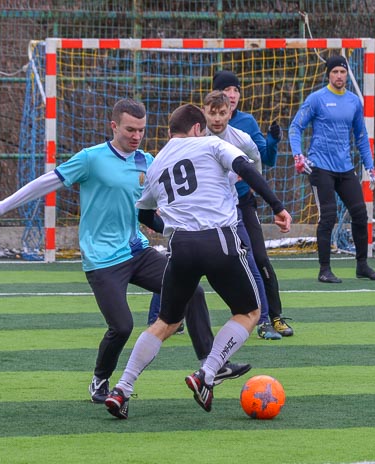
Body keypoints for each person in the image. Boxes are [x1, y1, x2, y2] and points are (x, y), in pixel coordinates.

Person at [0, 98, 250, 404]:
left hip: (137, 251)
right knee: (122, 327)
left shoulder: (148, 161)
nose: (136, 136)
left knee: (193, 292)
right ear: (114, 127)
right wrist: (1, 206)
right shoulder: (91, 159)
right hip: (102, 260)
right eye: (130, 129)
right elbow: (46, 183)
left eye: (141, 130)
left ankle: (210, 366)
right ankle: (100, 379)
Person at [104, 103, 291, 418]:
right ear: (196, 128)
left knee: (166, 322)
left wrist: (176, 226)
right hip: (217, 238)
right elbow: (247, 169)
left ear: (170, 131)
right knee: (249, 312)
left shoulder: (157, 162)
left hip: (180, 246)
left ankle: (122, 388)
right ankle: (209, 370)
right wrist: (277, 206)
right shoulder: (211, 143)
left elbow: (145, 213)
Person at [146, 90, 283, 340]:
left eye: (223, 113)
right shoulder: (197, 141)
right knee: (174, 267)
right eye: (212, 112)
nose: (218, 118)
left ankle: (265, 320)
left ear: (230, 112)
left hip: (234, 209)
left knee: (254, 260)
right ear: (203, 114)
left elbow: (254, 162)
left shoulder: (239, 137)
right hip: (197, 218)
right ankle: (162, 319)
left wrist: (254, 186)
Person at [209, 70, 294, 337]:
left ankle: (274, 317)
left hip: (243, 201)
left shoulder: (245, 126)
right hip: (213, 206)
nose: (232, 95)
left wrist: (273, 142)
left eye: (236, 90)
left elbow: (263, 161)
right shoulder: (200, 128)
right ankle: (167, 316)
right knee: (189, 258)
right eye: (227, 90)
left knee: (258, 257)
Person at [288, 55, 375, 284]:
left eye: (342, 72)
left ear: (347, 75)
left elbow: (361, 137)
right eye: (335, 72)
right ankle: (324, 270)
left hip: (345, 168)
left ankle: (362, 265)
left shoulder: (353, 102)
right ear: (328, 75)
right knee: (328, 217)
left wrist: (370, 167)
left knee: (360, 213)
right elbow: (295, 127)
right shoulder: (317, 99)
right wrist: (298, 155)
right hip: (319, 167)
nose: (339, 76)